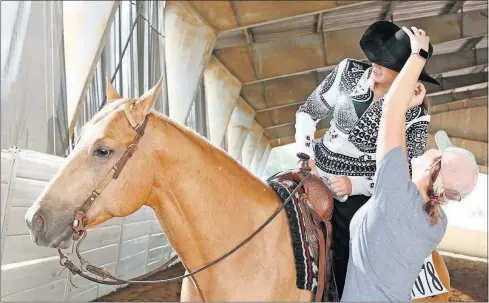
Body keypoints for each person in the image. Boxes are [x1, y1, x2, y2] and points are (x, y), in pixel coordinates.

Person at [294, 20, 440, 296]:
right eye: (377, 57)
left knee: (348, 248)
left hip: (358, 193)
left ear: (405, 75)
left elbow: (404, 175)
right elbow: (307, 113)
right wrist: (305, 156)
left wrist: (355, 185)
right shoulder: (348, 71)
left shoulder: (416, 116)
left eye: (387, 63)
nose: (375, 64)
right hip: (312, 170)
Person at [341, 26, 479, 301]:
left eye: (433, 152)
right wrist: (405, 111)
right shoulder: (436, 224)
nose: (427, 149)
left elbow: (390, 108)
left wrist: (418, 56)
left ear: (432, 168)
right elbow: (394, 132)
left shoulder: (393, 194)